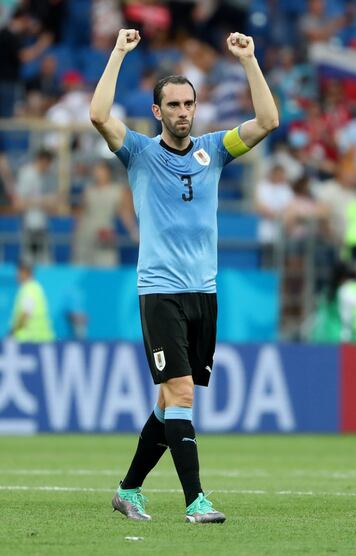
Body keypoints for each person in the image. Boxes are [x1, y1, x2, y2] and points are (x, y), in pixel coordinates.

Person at [90, 28, 278, 523]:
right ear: (157, 111)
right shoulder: (139, 153)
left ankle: (128, 490)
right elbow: (97, 115)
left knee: (167, 400)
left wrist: (249, 61)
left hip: (204, 292)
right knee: (182, 393)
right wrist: (118, 54)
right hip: (160, 292)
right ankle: (195, 501)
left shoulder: (214, 150)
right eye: (172, 105)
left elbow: (268, 120)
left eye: (188, 104)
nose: (182, 112)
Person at [10, 259, 54, 343]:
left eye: (18, 272)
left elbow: (26, 313)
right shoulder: (35, 287)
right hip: (39, 339)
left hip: (31, 340)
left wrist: (12, 332)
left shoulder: (29, 289)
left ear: (25, 272)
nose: (16, 275)